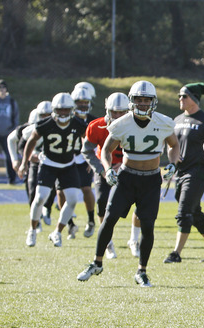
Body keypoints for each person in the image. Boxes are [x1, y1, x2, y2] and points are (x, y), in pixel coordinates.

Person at [77, 80, 180, 287]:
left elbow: (174, 145)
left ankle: (141, 271)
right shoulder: (120, 123)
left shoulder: (164, 122)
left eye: (146, 100)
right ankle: (97, 262)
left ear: (153, 101)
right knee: (109, 218)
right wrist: (107, 169)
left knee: (148, 226)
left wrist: (173, 164)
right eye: (139, 100)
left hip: (151, 179)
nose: (142, 104)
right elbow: (105, 151)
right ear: (131, 101)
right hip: (126, 177)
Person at [163, 82, 204, 264]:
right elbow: (170, 143)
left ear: (194, 99)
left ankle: (176, 253)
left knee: (184, 212)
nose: (180, 99)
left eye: (184, 96)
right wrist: (172, 159)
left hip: (198, 172)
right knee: (195, 212)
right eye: (180, 96)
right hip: (181, 172)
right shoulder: (177, 120)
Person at [17, 92, 86, 247]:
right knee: (40, 197)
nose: (63, 113)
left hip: (68, 165)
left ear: (71, 109)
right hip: (48, 163)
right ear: (54, 109)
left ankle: (57, 232)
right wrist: (24, 162)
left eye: (66, 110)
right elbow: (31, 141)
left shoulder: (78, 123)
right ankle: (32, 230)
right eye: (60, 110)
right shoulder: (45, 123)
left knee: (73, 199)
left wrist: (87, 156)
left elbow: (86, 138)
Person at [81, 92, 133, 259]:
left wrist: (125, 164)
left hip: (129, 168)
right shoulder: (97, 126)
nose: (117, 116)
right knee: (102, 202)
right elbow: (87, 150)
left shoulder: (136, 125)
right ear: (107, 110)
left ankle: (134, 239)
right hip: (105, 169)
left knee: (130, 204)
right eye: (113, 112)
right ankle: (108, 243)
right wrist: (102, 168)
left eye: (121, 112)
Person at [60, 85, 98, 240]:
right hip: (66, 160)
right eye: (79, 102)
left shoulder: (94, 120)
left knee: (86, 189)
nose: (83, 105)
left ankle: (91, 220)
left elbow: (98, 142)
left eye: (85, 102)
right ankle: (70, 224)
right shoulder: (66, 119)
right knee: (61, 192)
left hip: (83, 160)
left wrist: (92, 159)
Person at [0, 79, 19, 184]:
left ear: (6, 89)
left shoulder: (11, 101)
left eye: (3, 88)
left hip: (7, 133)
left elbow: (15, 117)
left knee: (9, 156)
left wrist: (13, 130)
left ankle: (11, 179)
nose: (1, 90)